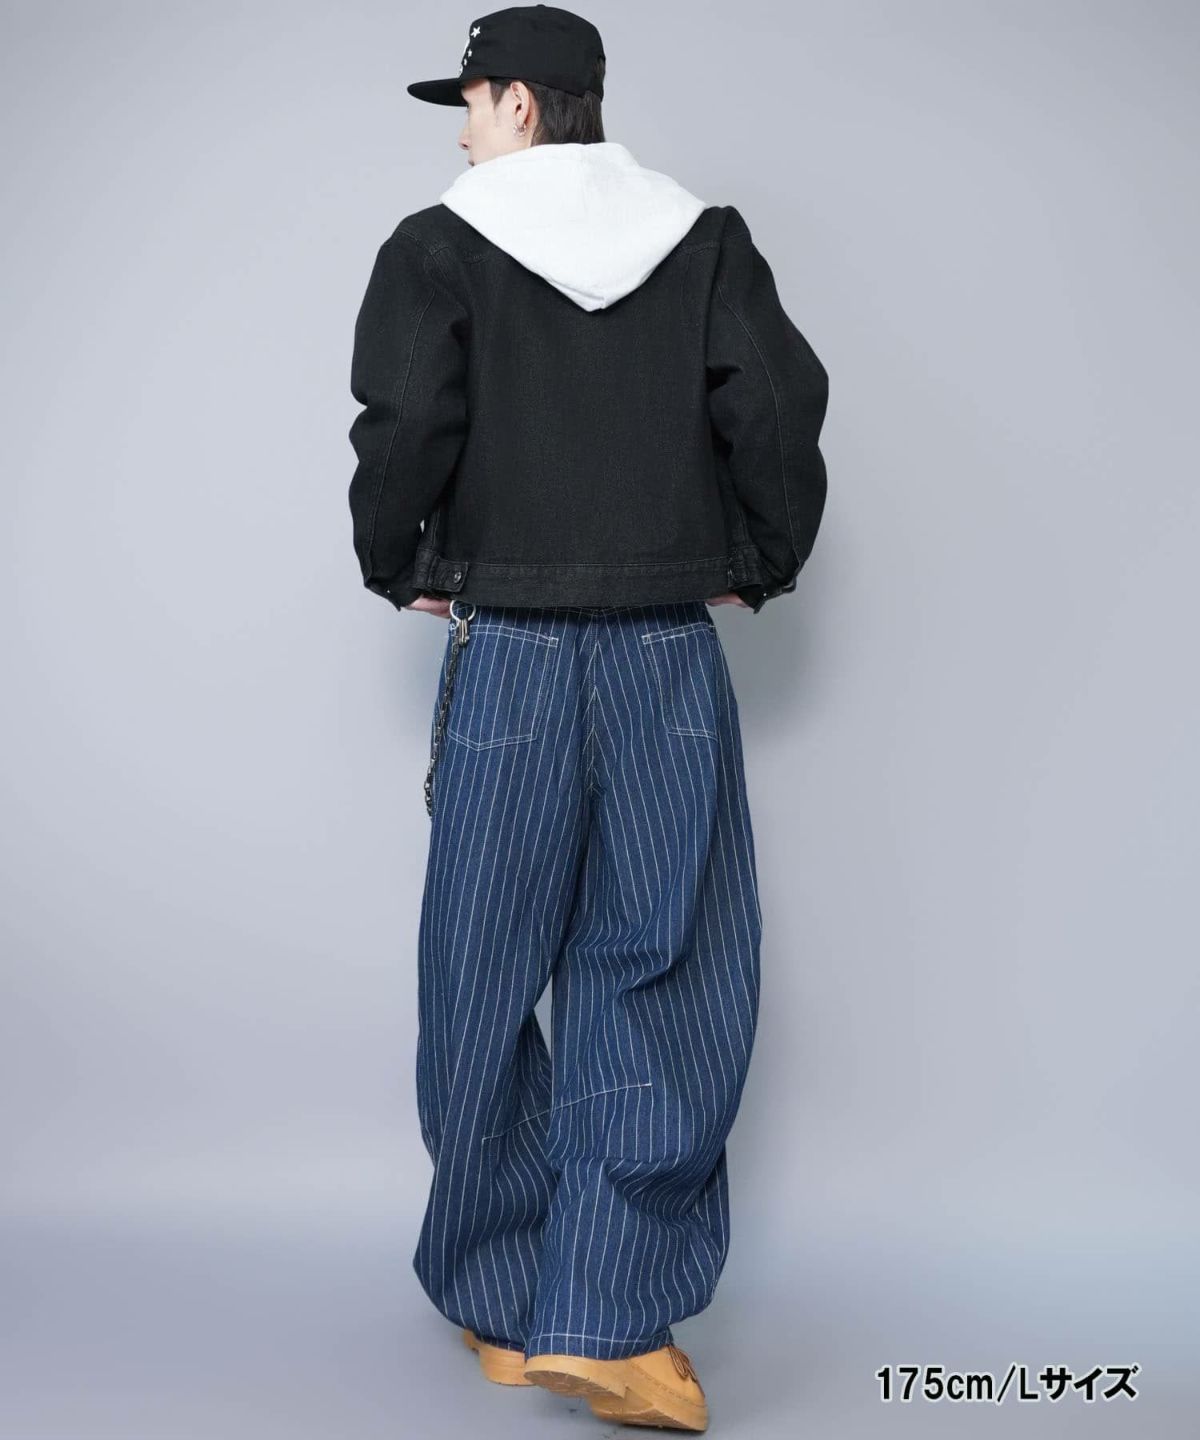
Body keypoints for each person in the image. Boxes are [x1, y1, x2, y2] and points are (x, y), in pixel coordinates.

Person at [346, 6, 829, 1430]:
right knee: (659, 967)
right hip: (665, 654)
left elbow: (403, 422)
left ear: (518, 101)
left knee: (481, 971)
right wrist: (757, 558)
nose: (459, 132)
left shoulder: (436, 248)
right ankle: (604, 1313)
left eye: (468, 102)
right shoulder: (703, 241)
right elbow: (777, 409)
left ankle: (505, 1303)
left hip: (508, 651)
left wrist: (399, 561)